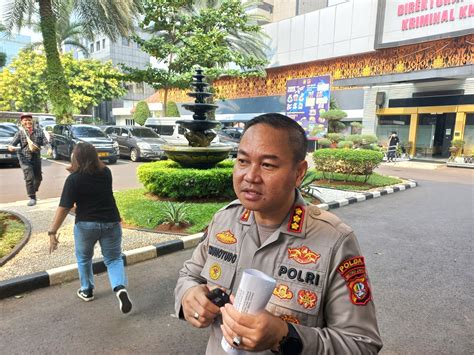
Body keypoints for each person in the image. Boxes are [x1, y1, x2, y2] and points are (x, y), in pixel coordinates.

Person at [174, 113, 382, 354]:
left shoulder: (334, 241)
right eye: (242, 161)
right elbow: (189, 274)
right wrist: (189, 296)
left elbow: (362, 343)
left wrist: (285, 336)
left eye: (268, 165)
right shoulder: (224, 221)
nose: (250, 176)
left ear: (299, 173)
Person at [48, 142, 132, 314]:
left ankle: (86, 290)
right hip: (111, 222)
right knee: (114, 259)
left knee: (84, 258)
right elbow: (93, 191)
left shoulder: (73, 180)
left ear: (76, 157)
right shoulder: (106, 172)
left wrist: (52, 231)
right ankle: (119, 288)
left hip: (86, 225)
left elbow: (65, 207)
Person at [8, 113, 49, 206]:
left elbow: (45, 142)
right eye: (25, 120)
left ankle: (33, 190)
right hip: (24, 157)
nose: (27, 122)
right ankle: (32, 197)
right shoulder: (20, 133)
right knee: (29, 177)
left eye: (29, 120)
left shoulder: (39, 131)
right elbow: (11, 145)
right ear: (22, 122)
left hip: (36, 157)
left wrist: (49, 148)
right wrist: (11, 148)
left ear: (32, 121)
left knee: (38, 178)